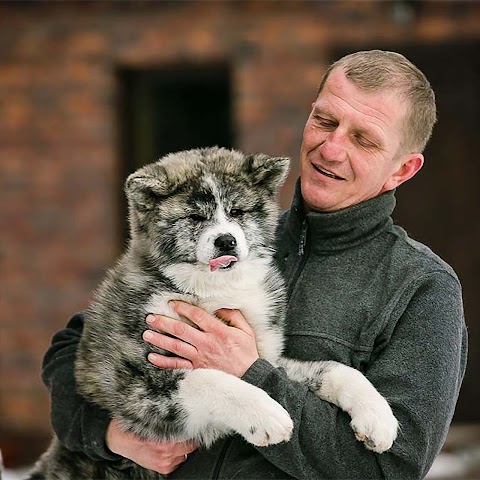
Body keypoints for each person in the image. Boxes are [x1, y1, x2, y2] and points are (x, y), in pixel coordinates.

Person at [42, 50, 467, 479]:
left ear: (403, 169)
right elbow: (71, 348)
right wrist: (109, 434)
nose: (332, 149)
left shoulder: (422, 289)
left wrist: (251, 374)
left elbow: (390, 467)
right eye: (325, 121)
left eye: (364, 139)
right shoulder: (229, 243)